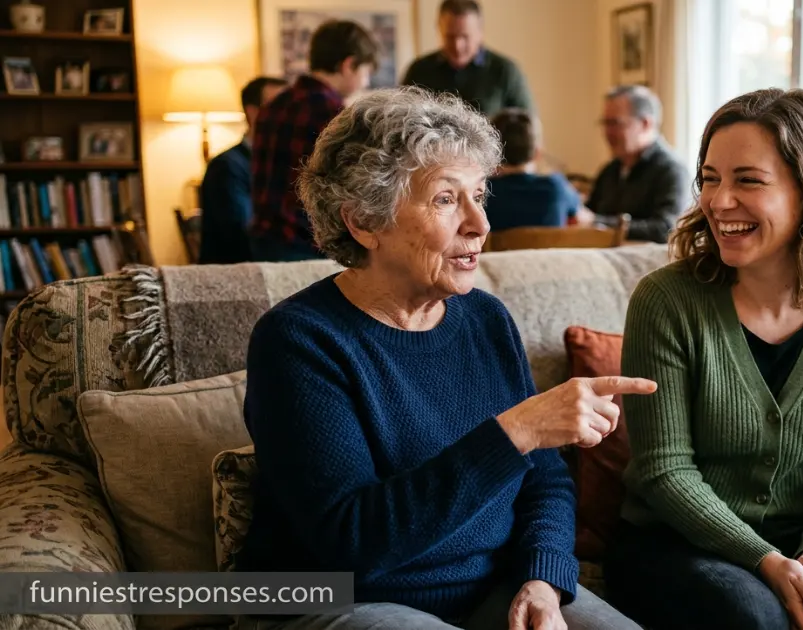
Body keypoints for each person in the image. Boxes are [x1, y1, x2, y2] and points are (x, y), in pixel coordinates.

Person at [236, 86, 653, 630]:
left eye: (480, 194)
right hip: (341, 599)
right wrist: (515, 432)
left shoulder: (485, 319)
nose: (479, 224)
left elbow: (544, 480)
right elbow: (351, 543)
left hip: (489, 587)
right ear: (364, 221)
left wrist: (542, 579)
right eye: (445, 199)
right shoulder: (298, 342)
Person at [603, 88, 803, 630]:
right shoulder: (666, 300)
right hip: (676, 540)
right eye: (710, 178)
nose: (718, 201)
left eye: (747, 180)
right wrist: (765, 561)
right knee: (755, 618)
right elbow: (664, 471)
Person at [249, 20, 378, 262]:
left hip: (264, 241)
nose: (367, 83)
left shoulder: (273, 105)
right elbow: (350, 187)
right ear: (348, 64)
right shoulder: (335, 115)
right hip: (307, 245)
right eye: (366, 72)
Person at [199, 76, 288, 265]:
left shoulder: (283, 165)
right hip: (235, 276)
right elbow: (243, 236)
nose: (288, 116)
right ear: (253, 113)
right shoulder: (227, 166)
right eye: (280, 108)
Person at [587, 85, 690, 244]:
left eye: (615, 123)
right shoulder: (610, 171)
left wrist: (599, 223)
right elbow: (588, 215)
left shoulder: (671, 170)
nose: (607, 132)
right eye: (605, 123)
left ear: (645, 124)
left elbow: (667, 228)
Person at [401, 0, 534, 117]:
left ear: (480, 32)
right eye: (450, 37)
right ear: (439, 30)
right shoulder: (419, 70)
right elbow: (399, 123)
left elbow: (529, 132)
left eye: (465, 36)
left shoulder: (506, 72)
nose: (458, 45)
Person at [485, 108, 592, 232]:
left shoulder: (483, 192)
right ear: (538, 153)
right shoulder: (556, 187)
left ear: (491, 152)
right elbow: (585, 218)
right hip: (549, 252)